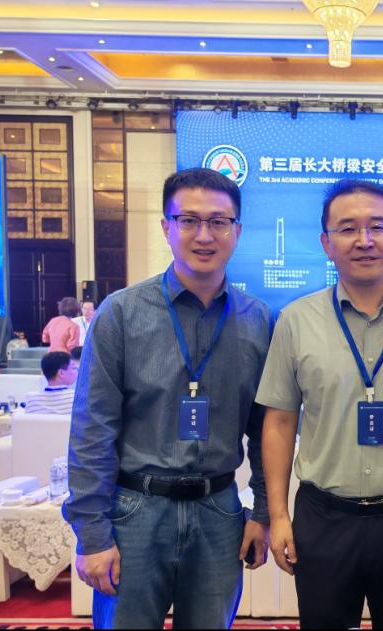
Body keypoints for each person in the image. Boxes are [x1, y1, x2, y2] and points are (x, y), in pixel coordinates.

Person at [64, 167, 274, 629]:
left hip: (219, 510)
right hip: (135, 511)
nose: (204, 235)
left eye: (218, 222)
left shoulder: (259, 321)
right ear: (166, 227)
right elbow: (92, 429)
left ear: (237, 231)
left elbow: (265, 432)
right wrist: (92, 533)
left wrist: (262, 512)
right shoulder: (121, 314)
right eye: (188, 220)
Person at [256, 179, 383, 629]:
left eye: (377, 227)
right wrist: (279, 515)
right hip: (324, 518)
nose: (364, 240)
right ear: (326, 243)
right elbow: (280, 421)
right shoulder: (295, 321)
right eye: (348, 228)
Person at [24, 351, 79, 416]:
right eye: (74, 368)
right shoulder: (77, 398)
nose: (77, 371)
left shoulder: (31, 400)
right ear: (61, 373)